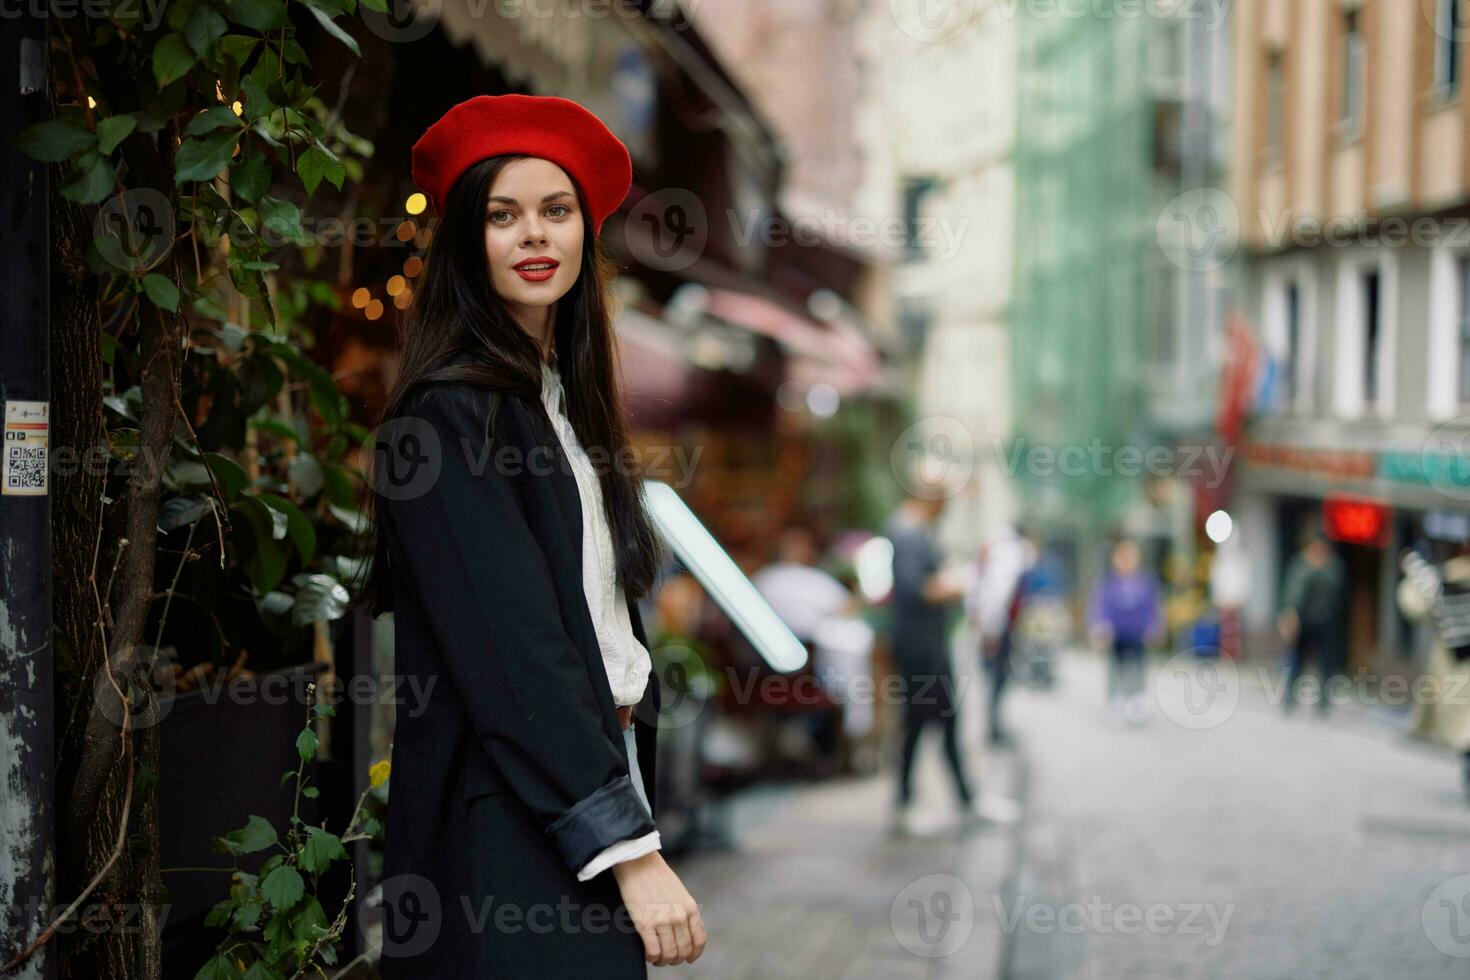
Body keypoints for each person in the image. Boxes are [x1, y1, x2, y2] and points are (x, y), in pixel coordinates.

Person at [355, 94, 705, 976]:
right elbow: (515, 653)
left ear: (587, 234)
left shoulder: (563, 408)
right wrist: (629, 845)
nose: (533, 236)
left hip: (577, 784)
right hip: (505, 813)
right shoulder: (441, 422)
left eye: (556, 211)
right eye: (502, 215)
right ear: (468, 241)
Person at [884, 481, 1018, 835]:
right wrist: (957, 584)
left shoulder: (913, 533)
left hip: (928, 647)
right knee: (920, 724)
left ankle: (957, 799)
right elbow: (916, 589)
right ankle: (910, 804)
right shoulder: (909, 536)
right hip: (920, 650)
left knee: (941, 722)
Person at [1396, 544, 1470, 801]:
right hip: (1456, 665)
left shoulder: (1441, 577)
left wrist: (1410, 578)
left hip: (1453, 664)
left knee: (1463, 726)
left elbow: (1413, 605)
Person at [967, 524, 1035, 746]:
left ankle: (994, 727)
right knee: (997, 678)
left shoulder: (996, 555)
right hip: (996, 627)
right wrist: (992, 631)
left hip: (993, 626)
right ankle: (993, 730)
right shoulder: (1008, 556)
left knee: (996, 679)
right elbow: (998, 595)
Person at [1087, 538, 1164, 724]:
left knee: (1138, 666)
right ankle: (1116, 700)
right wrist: (1099, 626)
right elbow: (1100, 608)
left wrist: (1154, 627)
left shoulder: (1146, 583)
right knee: (1115, 668)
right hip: (1116, 634)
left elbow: (1152, 608)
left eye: (1130, 556)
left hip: (1137, 633)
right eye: (1122, 556)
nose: (1126, 561)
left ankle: (1137, 699)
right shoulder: (1108, 584)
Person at [1277, 528, 1347, 716]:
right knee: (1296, 662)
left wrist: (1320, 568)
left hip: (1325, 622)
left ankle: (1323, 702)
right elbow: (1291, 592)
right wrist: (1289, 616)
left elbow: (1337, 589)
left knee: (1326, 664)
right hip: (1303, 620)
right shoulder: (1300, 564)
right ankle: (1289, 698)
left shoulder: (1333, 566)